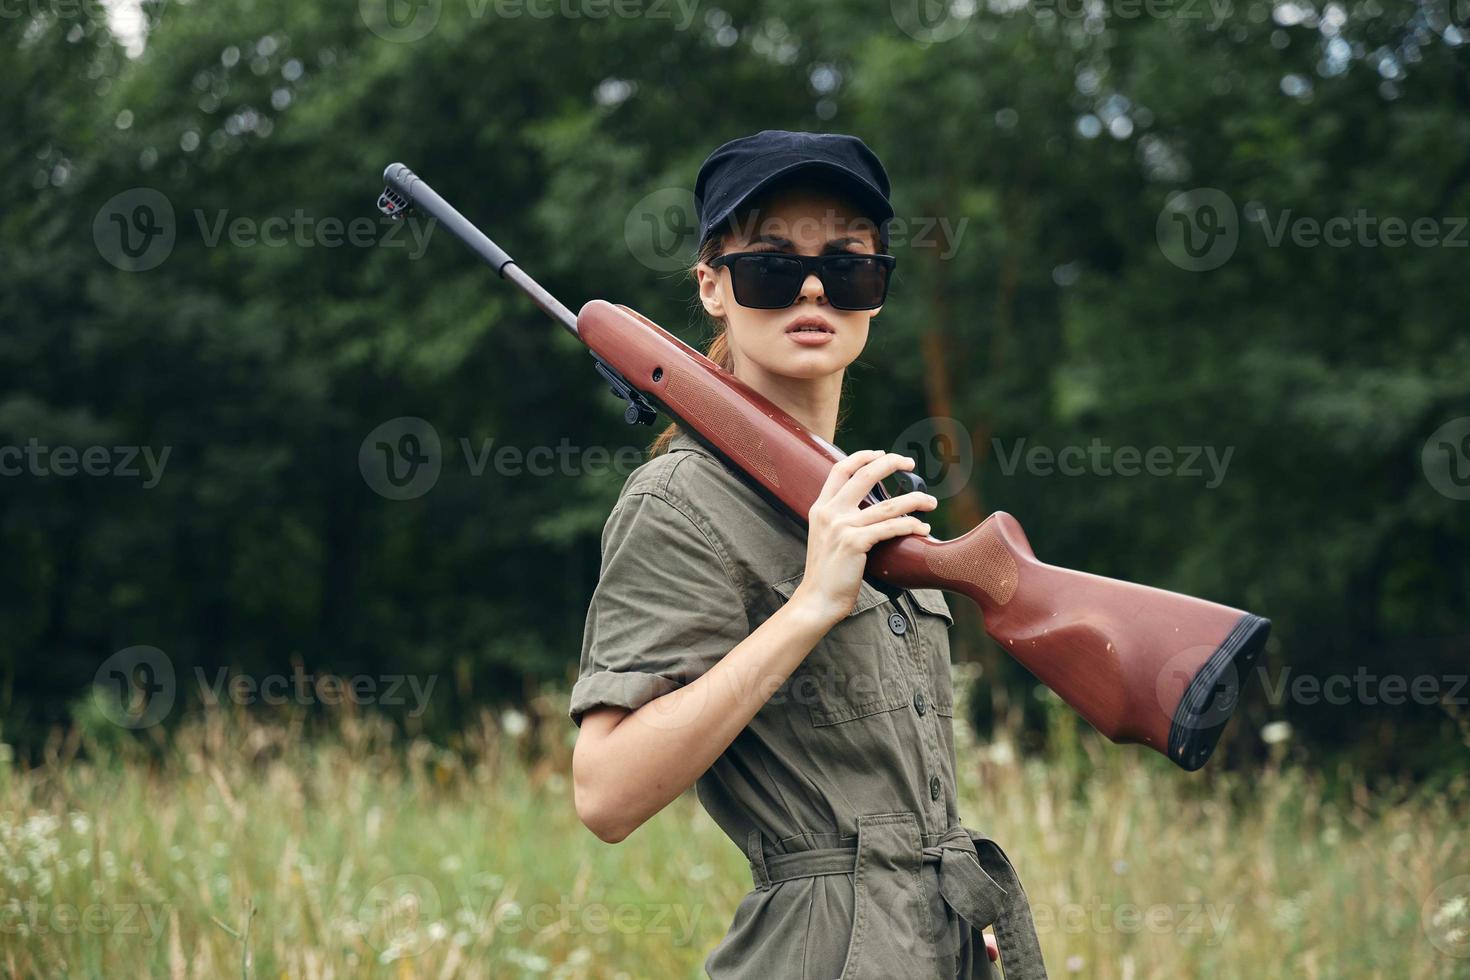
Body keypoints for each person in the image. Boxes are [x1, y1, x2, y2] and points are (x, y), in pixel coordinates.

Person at [568, 130, 1046, 979]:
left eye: (850, 264)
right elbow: (605, 792)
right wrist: (810, 606)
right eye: (771, 266)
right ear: (712, 287)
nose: (815, 287)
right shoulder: (677, 502)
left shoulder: (867, 503)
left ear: (879, 293)